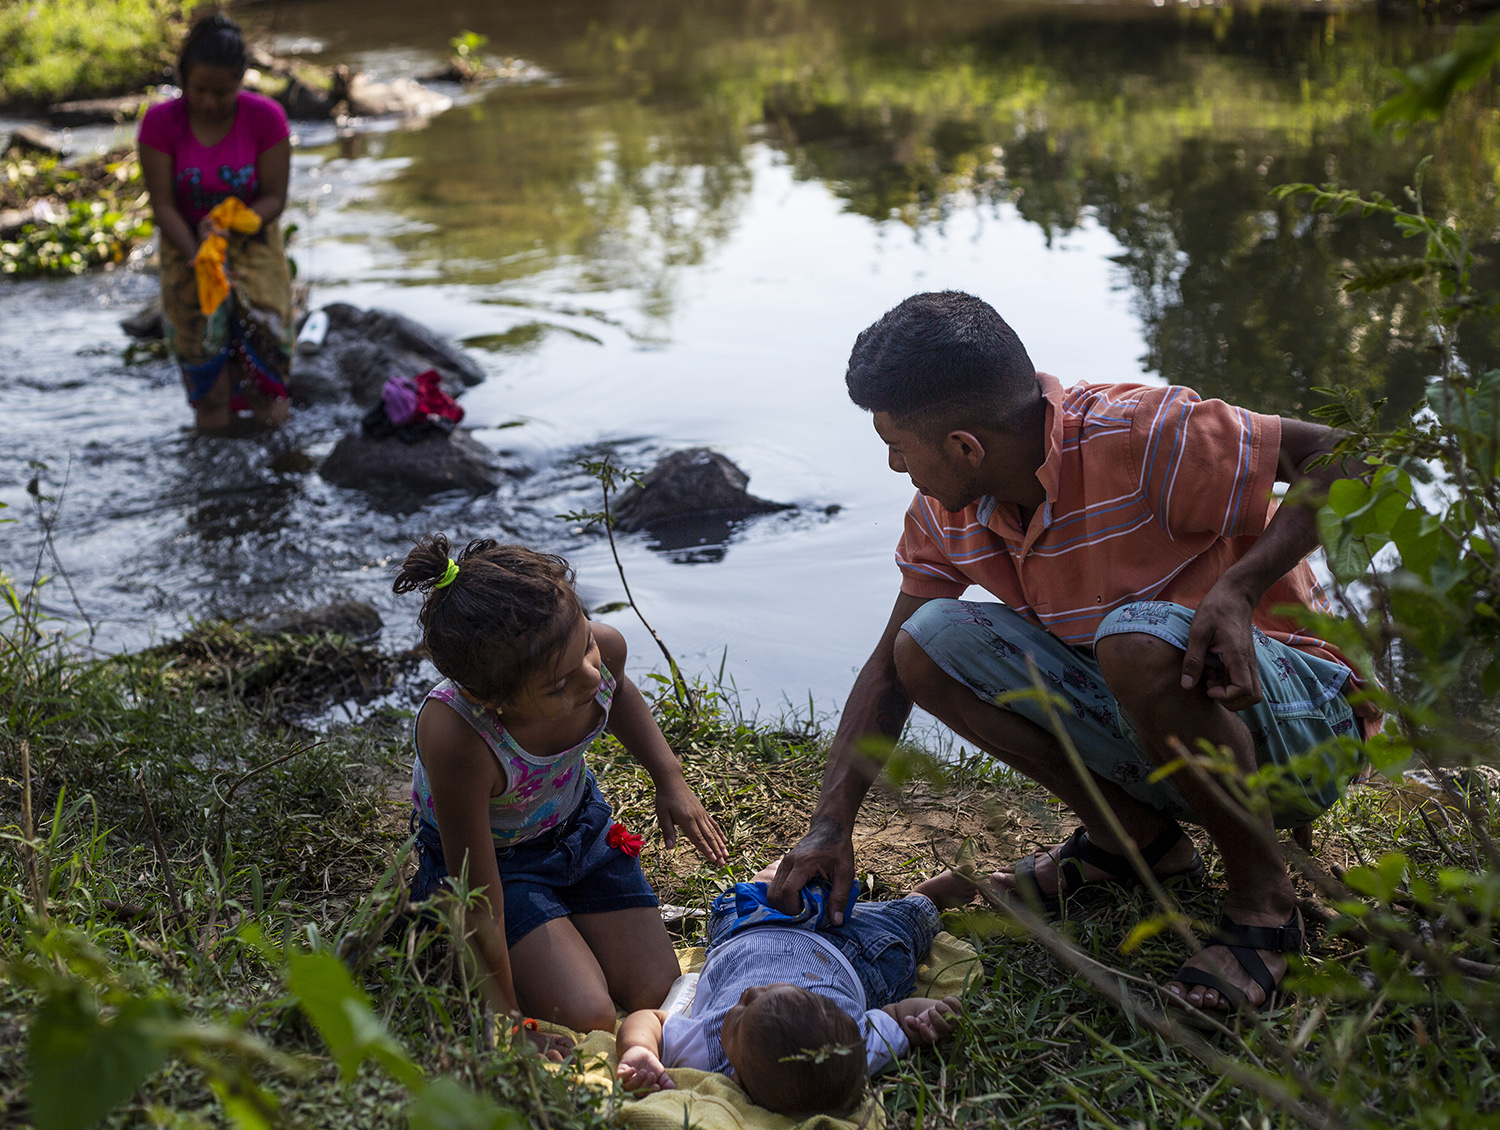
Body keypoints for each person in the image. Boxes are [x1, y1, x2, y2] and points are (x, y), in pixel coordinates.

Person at [770, 291, 1378, 1015]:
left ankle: (1264, 909)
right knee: (924, 643)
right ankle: (1137, 843)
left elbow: (1348, 454)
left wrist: (1239, 591)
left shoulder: (1144, 435)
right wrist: (830, 827)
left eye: (899, 447)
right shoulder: (946, 512)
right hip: (1159, 712)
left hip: (1298, 723)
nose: (898, 465)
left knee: (1134, 637)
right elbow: (886, 672)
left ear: (966, 446)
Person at [394, 535, 729, 1033]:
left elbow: (619, 697)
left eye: (587, 646)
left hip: (579, 834)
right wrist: (506, 1019)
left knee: (656, 987)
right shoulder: (459, 738)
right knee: (586, 1016)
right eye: (559, 686)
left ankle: (560, 922)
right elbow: (480, 891)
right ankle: (433, 907)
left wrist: (669, 778)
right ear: (489, 699)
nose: (591, 678)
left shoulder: (597, 650)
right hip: (499, 865)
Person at [615, 858, 968, 1116]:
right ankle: (925, 899)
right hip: (854, 954)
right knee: (899, 932)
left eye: (740, 1015)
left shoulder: (707, 1047)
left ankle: (770, 884)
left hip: (747, 933)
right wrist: (931, 1018)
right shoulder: (851, 1050)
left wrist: (639, 1049)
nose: (751, 993)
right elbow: (898, 1014)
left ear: (733, 1075)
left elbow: (651, 1020)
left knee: (736, 904)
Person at [138, 12, 293, 433]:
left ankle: (275, 479)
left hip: (252, 246)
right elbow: (164, 206)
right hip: (187, 248)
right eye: (199, 90)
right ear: (184, 78)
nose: (208, 102)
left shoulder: (266, 119)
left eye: (222, 93)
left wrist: (228, 227)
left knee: (268, 384)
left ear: (242, 81)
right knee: (209, 388)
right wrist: (201, 256)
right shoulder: (159, 124)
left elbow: (275, 197)